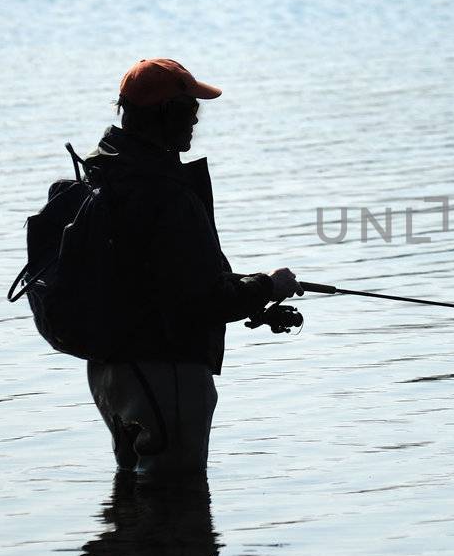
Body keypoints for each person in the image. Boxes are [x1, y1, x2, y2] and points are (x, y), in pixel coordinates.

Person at [80, 57, 297, 476]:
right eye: (189, 108)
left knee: (135, 494)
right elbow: (199, 300)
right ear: (165, 114)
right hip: (164, 371)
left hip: (110, 372)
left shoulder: (106, 174)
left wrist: (250, 291)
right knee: (176, 491)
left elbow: (155, 281)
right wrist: (267, 287)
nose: (197, 119)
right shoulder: (164, 194)